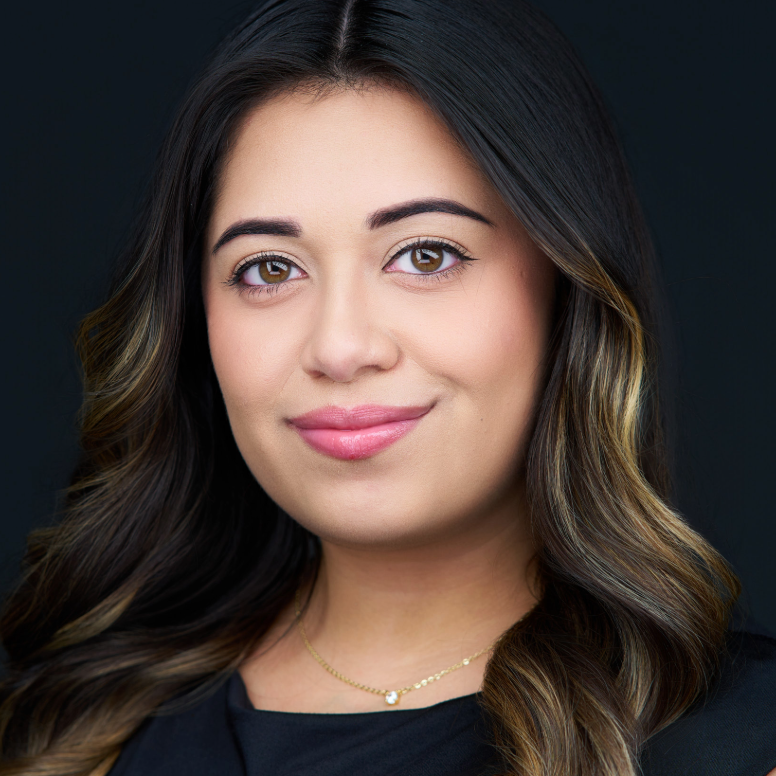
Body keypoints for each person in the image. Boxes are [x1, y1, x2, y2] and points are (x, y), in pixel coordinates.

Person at [1, 0, 774, 774]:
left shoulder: (740, 742)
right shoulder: (77, 737)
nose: (341, 346)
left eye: (427, 255)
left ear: (565, 291)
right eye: (270, 268)